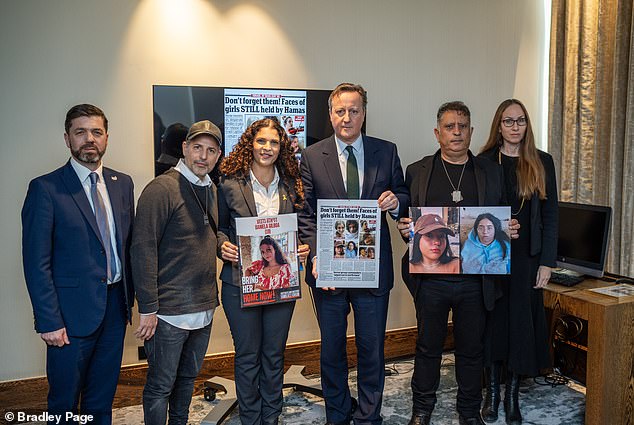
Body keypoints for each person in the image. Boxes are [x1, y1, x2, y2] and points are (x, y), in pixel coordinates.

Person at [397, 101, 518, 425]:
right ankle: (422, 411)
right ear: (438, 133)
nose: (456, 132)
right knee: (427, 349)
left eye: (462, 126)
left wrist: (511, 228)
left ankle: (468, 413)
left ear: (471, 131)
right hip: (431, 280)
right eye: (449, 127)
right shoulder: (417, 171)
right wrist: (404, 228)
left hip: (475, 282)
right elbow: (409, 224)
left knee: (471, 350)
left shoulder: (490, 172)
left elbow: (501, 217)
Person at [298, 82, 409, 425]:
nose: (347, 117)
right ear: (330, 114)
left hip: (372, 271)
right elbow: (306, 214)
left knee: (371, 349)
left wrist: (396, 202)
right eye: (340, 111)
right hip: (327, 272)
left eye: (355, 110)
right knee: (331, 350)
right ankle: (338, 412)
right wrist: (317, 257)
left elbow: (404, 195)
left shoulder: (386, 151)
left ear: (364, 113)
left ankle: (367, 416)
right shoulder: (312, 156)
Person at [21, 104, 135, 424]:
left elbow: (128, 247)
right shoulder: (46, 188)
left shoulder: (122, 183)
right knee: (64, 403)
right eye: (80, 132)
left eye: (96, 132)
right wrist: (48, 321)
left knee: (102, 399)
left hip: (115, 307)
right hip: (68, 316)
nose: (89, 139)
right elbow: (36, 261)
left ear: (106, 138)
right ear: (67, 138)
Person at [218, 117, 309, 425]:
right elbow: (216, 228)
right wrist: (222, 245)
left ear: (281, 147)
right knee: (247, 358)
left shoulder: (290, 183)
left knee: (273, 357)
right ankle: (251, 419)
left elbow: (299, 229)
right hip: (239, 284)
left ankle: (271, 417)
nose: (267, 148)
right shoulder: (229, 182)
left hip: (282, 284)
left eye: (273, 142)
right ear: (250, 143)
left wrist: (302, 246)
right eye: (261, 141)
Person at [132, 119, 222, 425]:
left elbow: (209, 234)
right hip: (168, 313)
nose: (203, 156)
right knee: (160, 386)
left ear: (218, 156)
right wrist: (148, 308)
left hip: (203, 309)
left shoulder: (210, 188)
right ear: (184, 148)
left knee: (187, 382)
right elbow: (142, 249)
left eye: (211, 150)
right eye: (197, 147)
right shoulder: (162, 189)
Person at [478, 99, 558, 424]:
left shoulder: (542, 162)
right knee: (494, 320)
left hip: (528, 255)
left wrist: (547, 262)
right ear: (498, 126)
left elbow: (552, 215)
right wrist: (498, 228)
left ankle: (512, 395)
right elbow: (473, 212)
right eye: (508, 121)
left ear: (526, 125)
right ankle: (492, 393)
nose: (515, 127)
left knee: (521, 324)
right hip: (492, 253)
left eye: (520, 121)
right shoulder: (483, 162)